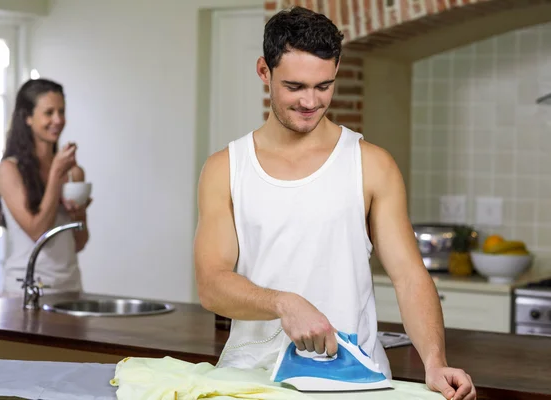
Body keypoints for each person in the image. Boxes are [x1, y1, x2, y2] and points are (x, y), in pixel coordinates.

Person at [194, 6, 476, 400]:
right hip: (250, 380)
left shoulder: (372, 165)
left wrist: (434, 360)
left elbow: (409, 276)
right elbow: (212, 285)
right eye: (294, 86)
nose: (310, 101)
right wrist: (283, 303)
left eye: (323, 85)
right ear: (264, 71)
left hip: (354, 384)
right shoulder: (226, 168)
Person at [0, 78, 91, 297]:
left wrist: (81, 214)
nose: (58, 120)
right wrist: (56, 174)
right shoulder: (10, 170)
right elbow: (37, 232)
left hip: (70, 288)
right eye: (49, 113)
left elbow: (79, 242)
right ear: (28, 117)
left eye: (62, 111)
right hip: (25, 290)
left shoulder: (74, 172)